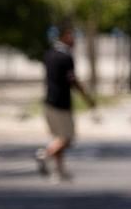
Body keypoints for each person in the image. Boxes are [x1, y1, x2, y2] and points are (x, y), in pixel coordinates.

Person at [36, 21, 95, 182]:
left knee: (58, 137)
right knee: (67, 138)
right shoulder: (66, 57)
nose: (74, 39)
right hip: (61, 103)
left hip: (48, 100)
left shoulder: (48, 54)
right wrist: (87, 98)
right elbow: (73, 81)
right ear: (64, 36)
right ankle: (45, 154)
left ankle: (59, 171)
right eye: (71, 36)